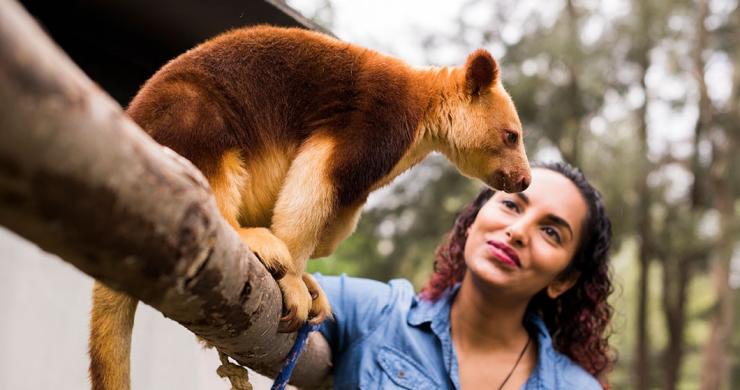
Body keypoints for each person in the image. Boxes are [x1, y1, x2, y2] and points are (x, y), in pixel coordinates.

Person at [314, 161, 614, 389]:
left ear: (564, 280)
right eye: (510, 204)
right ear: (473, 222)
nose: (518, 231)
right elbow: (275, 284)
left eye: (551, 232)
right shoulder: (375, 314)